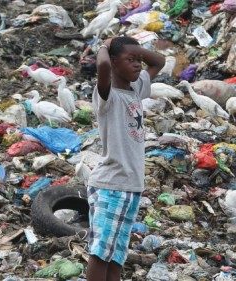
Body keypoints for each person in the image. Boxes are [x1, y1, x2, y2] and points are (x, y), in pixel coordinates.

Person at [86, 36, 165, 281]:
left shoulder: (136, 89)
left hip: (131, 186)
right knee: (101, 253)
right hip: (111, 184)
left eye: (138, 60)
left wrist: (133, 49)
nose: (137, 64)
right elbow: (102, 67)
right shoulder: (107, 95)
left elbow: (159, 61)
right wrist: (104, 45)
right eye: (129, 60)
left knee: (117, 254)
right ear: (113, 62)